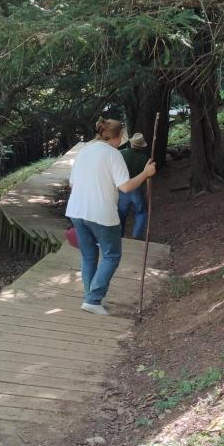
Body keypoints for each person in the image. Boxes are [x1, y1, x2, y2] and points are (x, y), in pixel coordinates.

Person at [66, 117, 156, 316]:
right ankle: (93, 299)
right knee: (112, 255)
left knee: (89, 256)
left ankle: (90, 298)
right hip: (101, 213)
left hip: (76, 211)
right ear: (118, 136)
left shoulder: (84, 151)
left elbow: (72, 183)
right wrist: (146, 173)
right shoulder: (113, 154)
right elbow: (126, 187)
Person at [117, 132, 151, 239]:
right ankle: (137, 235)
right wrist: (148, 191)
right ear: (141, 146)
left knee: (121, 214)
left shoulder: (121, 154)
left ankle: (120, 236)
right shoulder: (145, 158)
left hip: (123, 189)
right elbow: (148, 176)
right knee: (141, 212)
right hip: (137, 189)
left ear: (131, 143)